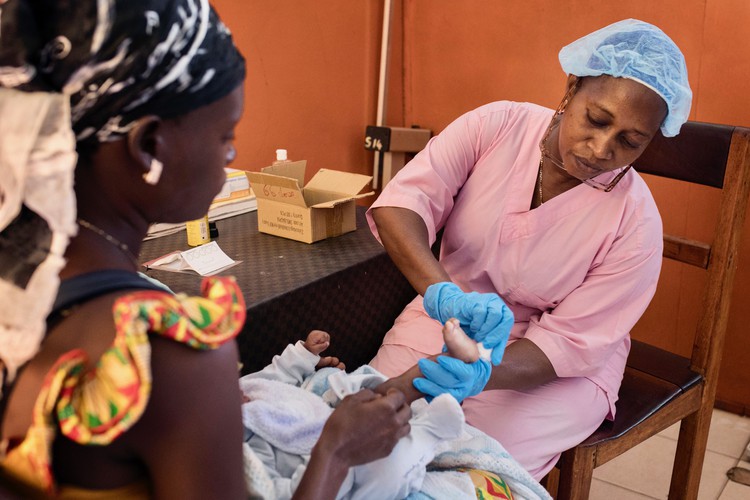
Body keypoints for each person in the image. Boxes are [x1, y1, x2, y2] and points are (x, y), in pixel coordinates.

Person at [0, 1, 411, 498]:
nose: (233, 154)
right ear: (149, 145)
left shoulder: (24, 293)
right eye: (225, 134)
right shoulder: (169, 354)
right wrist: (338, 451)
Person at [366, 18, 693, 480]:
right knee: (374, 427)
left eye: (630, 142)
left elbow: (569, 344)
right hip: (448, 316)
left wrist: (478, 372)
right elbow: (402, 205)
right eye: (596, 120)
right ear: (572, 87)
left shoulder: (635, 225)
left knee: (470, 463)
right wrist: (443, 295)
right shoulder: (495, 127)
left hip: (555, 370)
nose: (601, 149)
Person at [239, 327, 467, 500]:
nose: (240, 394)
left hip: (323, 415)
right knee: (382, 474)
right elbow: (284, 493)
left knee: (340, 384)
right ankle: (428, 432)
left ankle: (392, 391)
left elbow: (273, 375)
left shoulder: (242, 390)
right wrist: (336, 456)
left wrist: (304, 354)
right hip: (325, 474)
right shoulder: (244, 461)